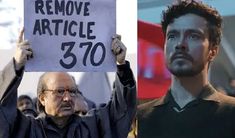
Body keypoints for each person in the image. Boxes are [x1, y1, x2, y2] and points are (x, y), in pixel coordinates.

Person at [0, 30, 136, 138]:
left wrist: (121, 64)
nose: (68, 98)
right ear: (42, 98)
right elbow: (3, 110)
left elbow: (121, 112)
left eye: (72, 91)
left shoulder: (93, 127)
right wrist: (16, 65)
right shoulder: (26, 129)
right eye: (59, 92)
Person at [138, 1, 235, 138]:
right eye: (172, 36)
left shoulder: (231, 113)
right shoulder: (139, 119)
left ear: (213, 50)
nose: (179, 44)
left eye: (193, 36)